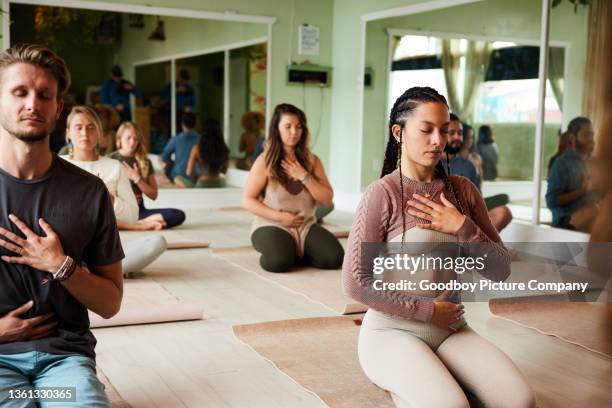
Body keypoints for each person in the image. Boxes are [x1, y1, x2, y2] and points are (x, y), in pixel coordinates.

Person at [343, 87, 535, 407]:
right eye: (426, 129)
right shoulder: (382, 193)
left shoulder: (462, 191)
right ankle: (411, 381)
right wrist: (428, 311)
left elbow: (501, 268)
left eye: (444, 131)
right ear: (398, 132)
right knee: (452, 405)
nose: (438, 140)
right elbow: (355, 283)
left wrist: (462, 227)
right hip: (392, 332)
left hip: (451, 329)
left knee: (520, 400)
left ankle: (431, 374)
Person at [0, 43, 122, 407]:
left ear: (58, 110)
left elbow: (111, 302)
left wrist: (60, 265)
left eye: (44, 95)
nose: (32, 104)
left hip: (64, 360)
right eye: (19, 92)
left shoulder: (89, 191)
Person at [61, 106, 167, 277]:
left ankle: (84, 271)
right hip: (66, 248)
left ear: (100, 133)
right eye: (78, 127)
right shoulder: (58, 165)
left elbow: (132, 216)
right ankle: (90, 271)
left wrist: (108, 198)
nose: (84, 133)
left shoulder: (114, 167)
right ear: (68, 133)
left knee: (157, 242)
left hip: (103, 249)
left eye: (91, 127)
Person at [242, 103, 344, 273]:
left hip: (305, 226)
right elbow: (247, 200)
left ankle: (295, 250)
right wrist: (279, 217)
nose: (294, 132)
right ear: (277, 129)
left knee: (334, 258)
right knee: (278, 262)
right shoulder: (264, 161)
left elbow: (327, 199)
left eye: (298, 127)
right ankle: (286, 250)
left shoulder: (313, 161)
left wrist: (304, 176)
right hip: (271, 224)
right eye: (288, 126)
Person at [444, 114, 512, 231]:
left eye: (460, 133)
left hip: (469, 217)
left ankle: (477, 242)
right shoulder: (431, 165)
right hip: (447, 220)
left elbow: (477, 201)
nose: (457, 137)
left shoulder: (469, 166)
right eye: (451, 133)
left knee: (504, 212)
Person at [110, 122, 186, 227]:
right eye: (128, 138)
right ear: (119, 139)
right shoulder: (110, 160)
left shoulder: (144, 161)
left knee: (178, 215)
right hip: (119, 210)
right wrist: (125, 200)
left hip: (139, 211)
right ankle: (143, 224)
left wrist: (137, 178)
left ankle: (137, 224)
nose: (132, 142)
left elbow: (153, 195)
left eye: (135, 139)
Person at [546, 116, 599, 231]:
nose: (591, 139)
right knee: (593, 210)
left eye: (592, 135)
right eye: (586, 135)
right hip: (566, 222)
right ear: (572, 138)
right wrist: (583, 191)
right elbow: (551, 201)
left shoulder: (594, 162)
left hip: (591, 221)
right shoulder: (561, 164)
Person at [177, 118, 229, 188]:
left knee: (177, 179)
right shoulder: (224, 149)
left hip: (202, 184)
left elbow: (188, 172)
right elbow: (224, 171)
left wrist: (198, 177)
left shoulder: (197, 148)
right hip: (221, 183)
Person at [160, 112, 201, 183]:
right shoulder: (200, 140)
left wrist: (172, 163)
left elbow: (164, 157)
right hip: (195, 177)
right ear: (195, 124)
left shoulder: (176, 139)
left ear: (182, 124)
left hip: (178, 176)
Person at [162, 68, 196, 133]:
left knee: (183, 133)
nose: (183, 81)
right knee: (171, 131)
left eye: (186, 79)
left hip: (184, 114)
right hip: (171, 113)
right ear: (179, 77)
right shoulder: (171, 86)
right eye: (182, 79)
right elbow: (163, 97)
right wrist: (175, 90)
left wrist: (190, 109)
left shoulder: (190, 89)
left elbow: (194, 104)